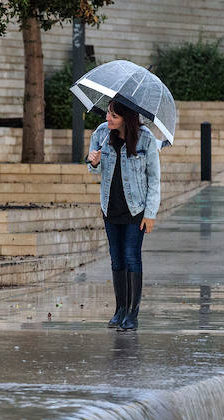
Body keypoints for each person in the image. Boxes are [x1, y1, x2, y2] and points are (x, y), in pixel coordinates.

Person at [87, 99, 161, 331]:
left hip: (135, 209)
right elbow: (92, 167)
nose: (108, 118)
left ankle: (132, 313)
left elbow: (154, 179)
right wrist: (94, 162)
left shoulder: (146, 138)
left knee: (131, 257)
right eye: (109, 113)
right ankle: (120, 310)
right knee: (117, 259)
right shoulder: (101, 133)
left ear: (126, 119)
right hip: (110, 207)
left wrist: (150, 213)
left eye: (114, 116)